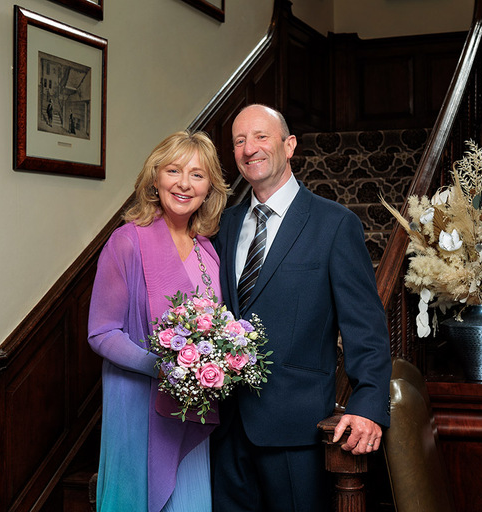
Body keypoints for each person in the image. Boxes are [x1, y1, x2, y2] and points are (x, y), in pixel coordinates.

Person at [211, 104, 392, 511]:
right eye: (239, 140)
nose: (249, 148)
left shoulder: (334, 224)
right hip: (225, 426)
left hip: (297, 428)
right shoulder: (223, 225)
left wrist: (367, 405)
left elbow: (366, 327)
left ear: (289, 145)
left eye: (261, 137)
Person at [88, 130, 229, 512]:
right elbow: (102, 332)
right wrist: (166, 369)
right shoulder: (127, 241)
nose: (184, 184)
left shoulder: (208, 251)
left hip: (191, 411)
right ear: (155, 178)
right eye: (174, 170)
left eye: (198, 175)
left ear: (209, 187)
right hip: (137, 408)